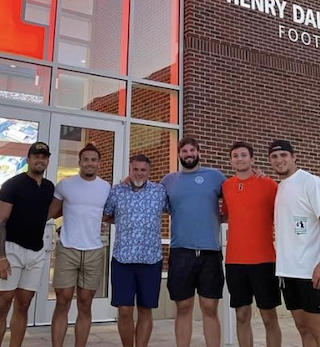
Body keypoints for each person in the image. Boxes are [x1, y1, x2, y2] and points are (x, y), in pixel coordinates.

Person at [268, 140, 320, 347]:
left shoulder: (311, 182)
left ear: (293, 157)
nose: (279, 160)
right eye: (274, 157)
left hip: (312, 272)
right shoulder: (280, 188)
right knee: (303, 329)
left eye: (283, 156)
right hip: (289, 271)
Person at [161, 137, 226, 347]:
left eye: (192, 150)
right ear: (179, 154)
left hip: (210, 252)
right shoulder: (168, 181)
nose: (188, 154)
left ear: (198, 152)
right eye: (184, 151)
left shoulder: (215, 177)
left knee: (209, 307)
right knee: (184, 307)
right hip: (181, 252)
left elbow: (237, 196)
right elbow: (150, 199)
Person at [0, 141, 54, 347]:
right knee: (3, 303)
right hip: (11, 250)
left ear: (47, 161)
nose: (40, 160)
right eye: (36, 156)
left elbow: (49, 212)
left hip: (36, 252)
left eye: (44, 157)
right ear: (28, 159)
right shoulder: (12, 185)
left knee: (23, 305)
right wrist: (1, 256)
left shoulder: (48, 187)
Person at [47, 143, 111, 347]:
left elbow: (111, 215)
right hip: (68, 249)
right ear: (80, 162)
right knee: (63, 300)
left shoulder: (106, 187)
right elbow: (51, 212)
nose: (89, 163)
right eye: (86, 159)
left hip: (93, 250)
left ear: (99, 163)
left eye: (94, 159)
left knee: (85, 304)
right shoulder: (65, 185)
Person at [103, 154, 168, 347]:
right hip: (123, 259)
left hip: (151, 259)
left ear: (149, 172)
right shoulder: (117, 191)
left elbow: (176, 208)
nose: (139, 173)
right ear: (130, 170)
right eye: (135, 169)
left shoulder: (160, 192)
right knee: (124, 309)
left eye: (143, 170)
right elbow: (106, 216)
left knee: (145, 309)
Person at [222, 141, 282, 347]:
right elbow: (226, 215)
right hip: (235, 261)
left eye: (243, 155)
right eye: (235, 156)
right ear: (231, 161)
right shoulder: (226, 186)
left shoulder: (269, 185)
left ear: (252, 159)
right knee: (241, 315)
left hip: (264, 260)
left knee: (268, 316)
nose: (240, 159)